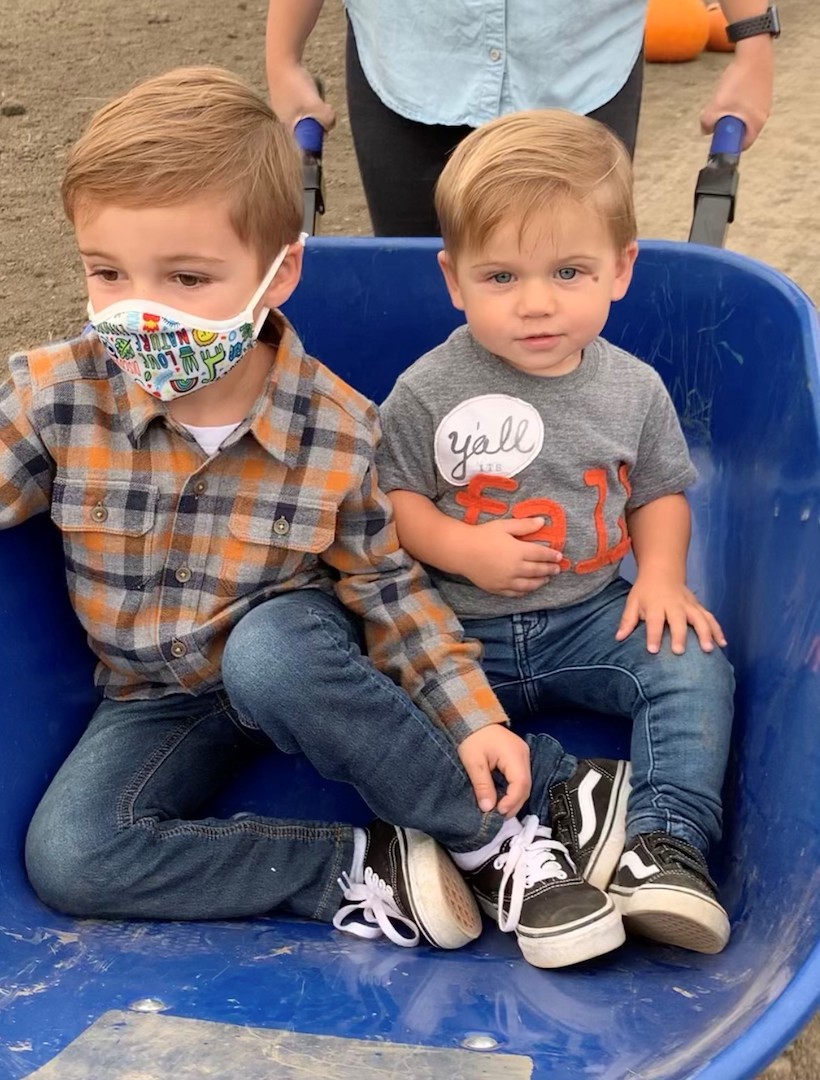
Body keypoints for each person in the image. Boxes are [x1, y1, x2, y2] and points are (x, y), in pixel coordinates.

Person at [11, 66, 629, 970]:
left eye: (187, 277)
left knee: (272, 651)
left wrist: (472, 719)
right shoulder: (57, 394)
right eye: (108, 272)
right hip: (155, 694)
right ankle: (361, 868)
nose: (143, 310)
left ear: (279, 272)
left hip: (295, 662)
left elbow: (391, 591)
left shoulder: (337, 430)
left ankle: (495, 838)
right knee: (71, 856)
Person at [375, 110, 736, 953]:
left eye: (568, 271)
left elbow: (659, 493)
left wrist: (660, 578)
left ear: (621, 269)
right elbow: (392, 498)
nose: (537, 304)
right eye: (500, 277)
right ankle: (543, 805)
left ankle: (665, 843)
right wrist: (461, 547)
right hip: (459, 637)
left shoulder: (633, 390)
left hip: (590, 616)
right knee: (379, 702)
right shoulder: (428, 388)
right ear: (454, 279)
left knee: (691, 662)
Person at [266, 0, 777, 235]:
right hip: (412, 54)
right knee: (418, 292)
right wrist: (282, 58)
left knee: (565, 289)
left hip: (579, 60)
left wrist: (752, 43)